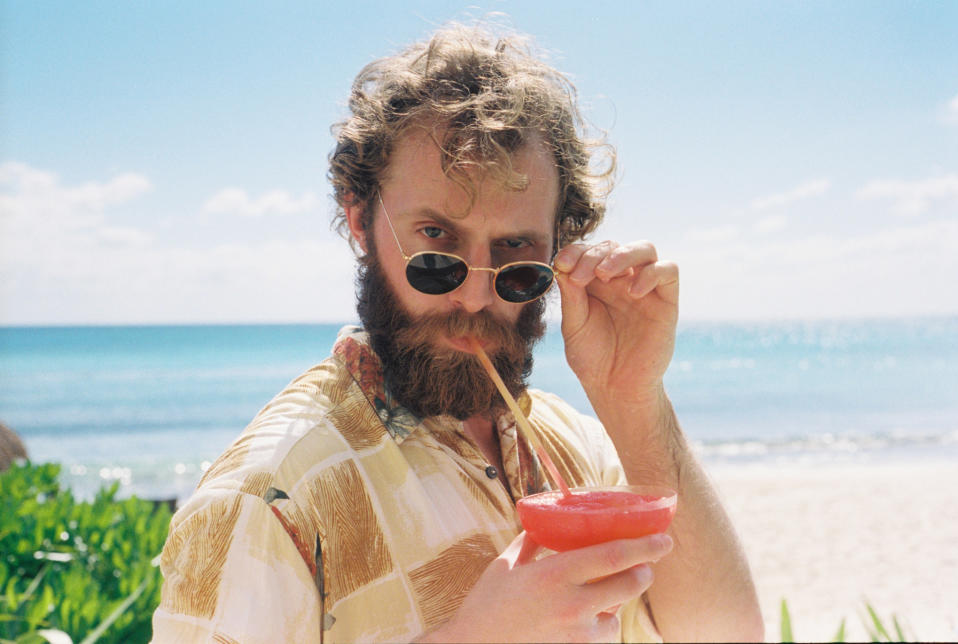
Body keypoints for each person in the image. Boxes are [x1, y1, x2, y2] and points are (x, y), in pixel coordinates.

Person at [151, 22, 763, 643]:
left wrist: (632, 397)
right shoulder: (268, 499)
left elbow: (725, 634)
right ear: (360, 220)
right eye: (437, 245)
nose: (475, 295)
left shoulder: (576, 449)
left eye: (515, 253)